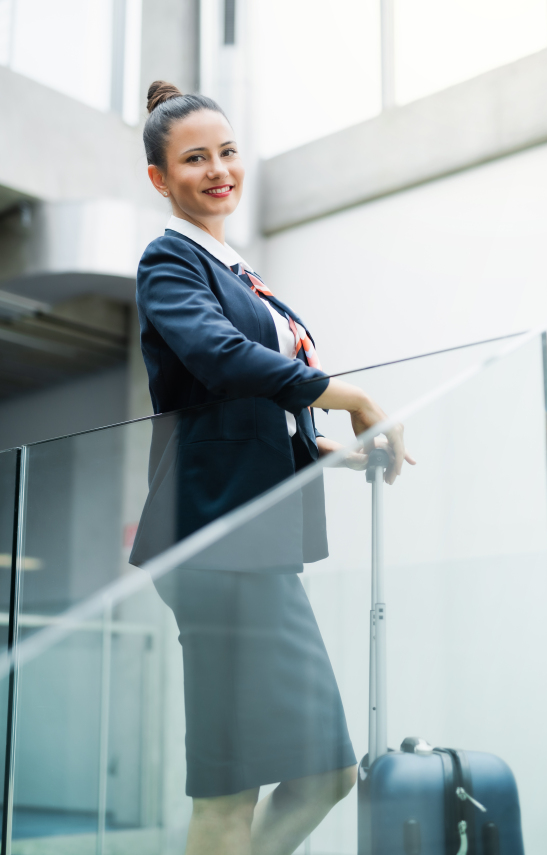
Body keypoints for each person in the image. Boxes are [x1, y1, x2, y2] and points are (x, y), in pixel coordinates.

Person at [132, 80, 415, 855]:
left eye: (227, 152)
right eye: (195, 159)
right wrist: (344, 394)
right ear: (160, 177)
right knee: (232, 789)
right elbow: (220, 359)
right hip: (218, 548)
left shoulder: (230, 265)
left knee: (323, 771)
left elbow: (240, 416)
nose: (219, 170)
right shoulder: (169, 260)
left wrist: (324, 446)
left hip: (256, 544)